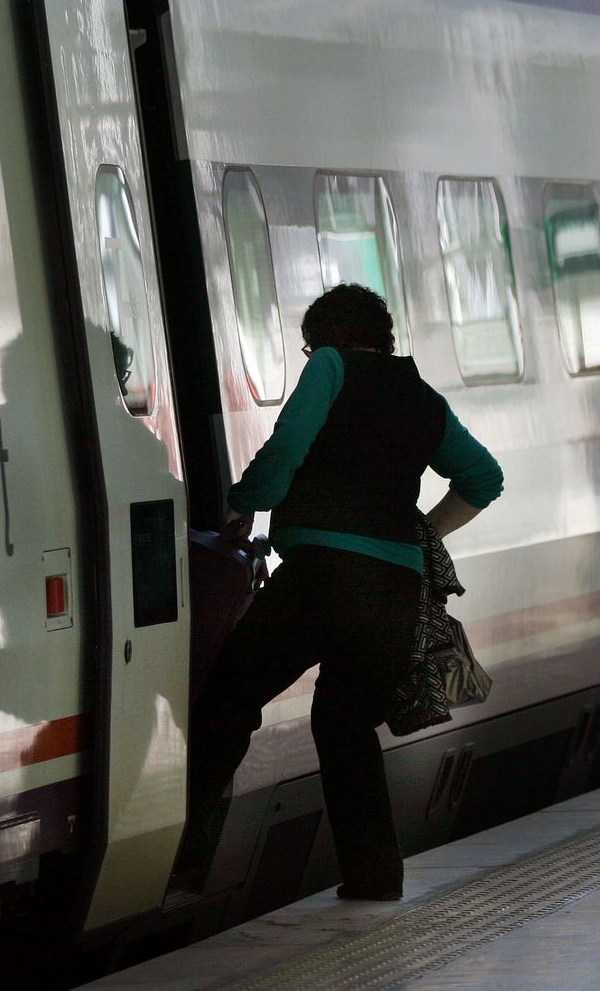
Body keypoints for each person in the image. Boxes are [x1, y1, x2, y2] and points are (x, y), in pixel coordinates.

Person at [181, 284, 503, 901]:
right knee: (345, 725)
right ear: (383, 338)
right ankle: (375, 876)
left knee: (231, 693)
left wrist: (244, 503)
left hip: (323, 577)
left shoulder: (331, 367)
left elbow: (287, 446)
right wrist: (419, 534)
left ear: (325, 340)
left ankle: (184, 846)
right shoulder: (422, 397)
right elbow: (484, 478)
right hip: (396, 591)